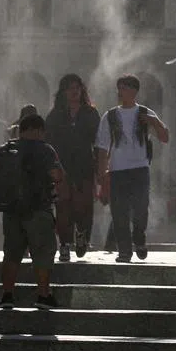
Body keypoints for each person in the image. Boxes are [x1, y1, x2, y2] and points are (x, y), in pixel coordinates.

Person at [95, 74, 169, 263]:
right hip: (117, 170)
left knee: (140, 209)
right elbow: (102, 148)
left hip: (139, 169)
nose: (121, 92)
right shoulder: (110, 116)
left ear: (135, 91)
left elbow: (164, 137)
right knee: (118, 211)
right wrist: (102, 176)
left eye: (125, 88)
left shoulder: (145, 113)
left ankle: (139, 237)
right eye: (119, 88)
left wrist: (153, 122)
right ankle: (124, 251)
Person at [0, 114, 63, 309]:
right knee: (42, 253)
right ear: (39, 130)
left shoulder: (6, 150)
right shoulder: (45, 150)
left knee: (11, 254)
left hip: (11, 210)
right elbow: (57, 176)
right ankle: (43, 295)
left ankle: (7, 295)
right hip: (38, 210)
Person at [45, 74, 100, 262]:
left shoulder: (90, 114)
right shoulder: (55, 115)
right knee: (63, 207)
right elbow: (48, 143)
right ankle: (65, 244)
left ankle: (82, 233)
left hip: (84, 166)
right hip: (61, 167)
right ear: (63, 92)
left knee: (83, 206)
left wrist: (101, 170)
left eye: (77, 87)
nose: (74, 91)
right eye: (69, 88)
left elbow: (98, 142)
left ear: (82, 90)